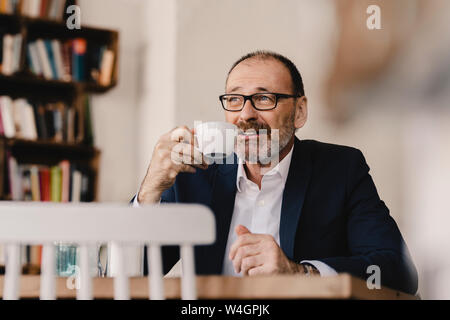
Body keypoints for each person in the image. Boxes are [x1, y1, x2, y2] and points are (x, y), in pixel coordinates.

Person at [132, 51, 418, 295]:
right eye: (234, 100)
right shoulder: (194, 175)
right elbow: (128, 272)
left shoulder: (341, 169)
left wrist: (300, 274)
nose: (245, 115)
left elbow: (398, 272)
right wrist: (149, 191)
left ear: (299, 112)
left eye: (264, 98)